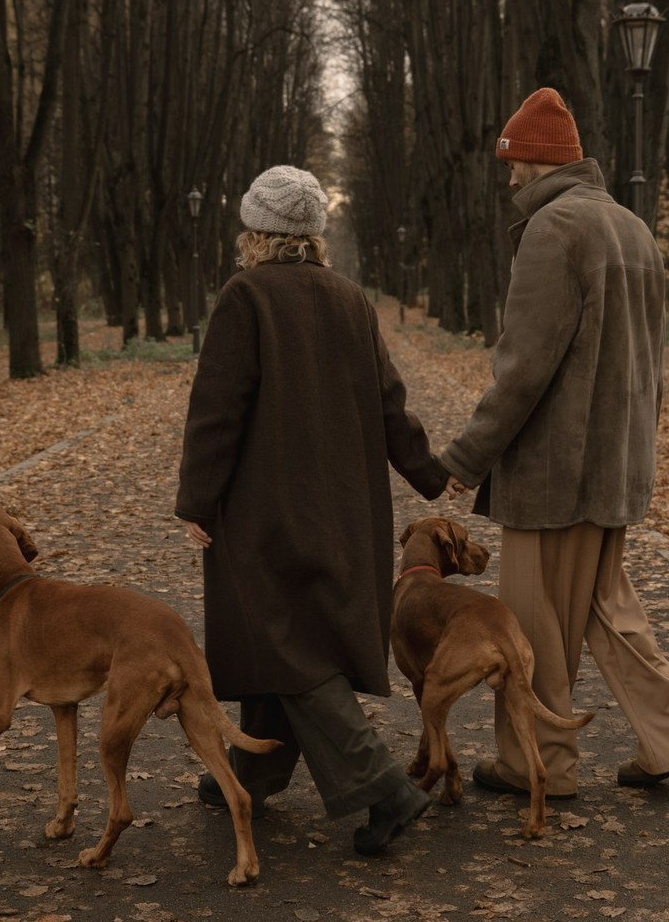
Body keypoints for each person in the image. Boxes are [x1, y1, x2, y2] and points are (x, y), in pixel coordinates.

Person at [439, 88, 669, 800]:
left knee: (534, 627)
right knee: (604, 607)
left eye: (513, 163)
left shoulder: (553, 230)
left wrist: (466, 459)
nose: (507, 179)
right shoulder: (630, 227)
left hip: (555, 472)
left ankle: (539, 764)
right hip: (616, 465)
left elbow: (523, 367)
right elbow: (653, 366)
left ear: (538, 160)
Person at [175, 164, 452, 856]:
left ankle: (385, 788)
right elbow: (391, 403)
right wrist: (429, 472)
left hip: (268, 511)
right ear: (311, 236)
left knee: (287, 644)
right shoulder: (350, 298)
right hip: (346, 507)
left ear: (257, 232)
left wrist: (198, 499)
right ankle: (252, 771)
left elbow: (217, 412)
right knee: (290, 635)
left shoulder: (246, 298)